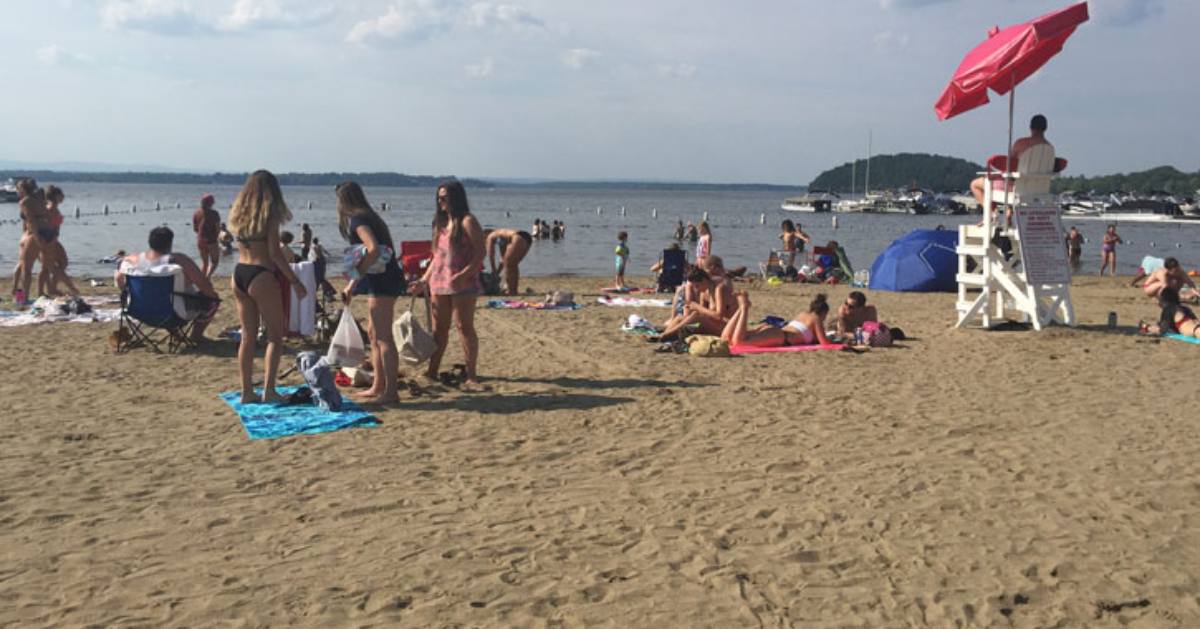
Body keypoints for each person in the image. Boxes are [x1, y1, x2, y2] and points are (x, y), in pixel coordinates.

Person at [227, 170, 307, 404]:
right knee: (275, 337)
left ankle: (246, 392)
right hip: (261, 275)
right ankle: (269, 390)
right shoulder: (269, 215)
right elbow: (274, 253)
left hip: (239, 273)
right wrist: (295, 280)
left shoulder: (239, 214)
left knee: (248, 337)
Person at [338, 181, 405, 404]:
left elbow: (373, 250)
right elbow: (369, 255)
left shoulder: (358, 220)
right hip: (384, 278)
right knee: (374, 334)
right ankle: (379, 385)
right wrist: (351, 286)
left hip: (383, 281)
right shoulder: (370, 217)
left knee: (383, 337)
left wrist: (356, 274)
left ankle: (391, 392)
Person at [416, 180, 485, 391]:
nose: (441, 201)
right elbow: (436, 256)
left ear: (456, 198)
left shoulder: (467, 221)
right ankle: (432, 370)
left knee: (464, 327)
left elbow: (480, 253)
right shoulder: (441, 223)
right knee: (439, 330)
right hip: (439, 281)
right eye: (439, 198)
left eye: (444, 197)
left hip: (462, 283)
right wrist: (423, 280)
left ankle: (471, 375)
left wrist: (464, 274)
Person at [115, 226, 220, 342]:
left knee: (161, 298)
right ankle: (196, 335)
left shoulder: (132, 259)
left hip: (138, 312)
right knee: (212, 299)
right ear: (170, 243)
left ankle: (177, 335)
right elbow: (205, 287)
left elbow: (119, 279)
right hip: (173, 315)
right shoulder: (179, 260)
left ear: (150, 242)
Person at [970, 114, 1054, 208]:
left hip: (1016, 188)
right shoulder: (1050, 148)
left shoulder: (1021, 143)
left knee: (975, 184)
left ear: (1030, 127)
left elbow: (1009, 166)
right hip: (1039, 189)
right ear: (1046, 128)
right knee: (1012, 178)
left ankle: (993, 213)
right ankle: (1008, 213)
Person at [721, 292, 835, 348]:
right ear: (823, 313)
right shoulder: (816, 319)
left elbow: (808, 335)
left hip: (775, 331)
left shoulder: (802, 314)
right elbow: (824, 343)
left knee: (726, 339)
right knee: (739, 343)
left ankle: (740, 310)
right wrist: (837, 342)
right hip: (780, 337)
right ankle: (744, 307)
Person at [36, 185, 79, 297]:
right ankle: (43, 291)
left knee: (63, 262)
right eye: (61, 195)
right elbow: (42, 225)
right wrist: (45, 240)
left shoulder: (54, 208)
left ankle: (52, 287)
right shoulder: (49, 208)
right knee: (47, 266)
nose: (63, 197)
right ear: (55, 196)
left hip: (54, 239)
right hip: (47, 240)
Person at [11, 179, 46, 304]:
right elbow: (28, 221)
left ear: (24, 190)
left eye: (18, 189)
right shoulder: (40, 199)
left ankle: (22, 298)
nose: (17, 192)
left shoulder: (25, 202)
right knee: (21, 265)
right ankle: (16, 294)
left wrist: (36, 237)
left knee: (26, 268)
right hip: (32, 233)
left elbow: (31, 221)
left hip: (33, 234)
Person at [486, 228, 532, 296]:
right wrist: (497, 272)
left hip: (517, 237)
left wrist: (493, 270)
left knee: (509, 265)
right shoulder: (501, 236)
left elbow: (491, 255)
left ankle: (511, 291)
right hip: (526, 237)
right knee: (512, 265)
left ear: (485, 234)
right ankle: (513, 290)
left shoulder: (490, 236)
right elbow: (503, 259)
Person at [192, 194, 222, 279]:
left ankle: (202, 280)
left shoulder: (196, 213)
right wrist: (217, 237)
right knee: (215, 262)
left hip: (200, 240)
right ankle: (208, 277)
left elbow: (195, 229)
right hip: (211, 240)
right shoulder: (214, 213)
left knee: (205, 264)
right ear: (211, 203)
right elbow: (217, 229)